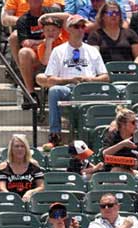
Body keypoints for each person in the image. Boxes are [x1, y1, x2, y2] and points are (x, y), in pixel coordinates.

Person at [40, 14, 109, 146]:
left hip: (89, 89)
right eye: (76, 26)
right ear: (68, 29)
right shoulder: (58, 51)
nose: (80, 29)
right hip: (68, 89)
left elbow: (105, 77)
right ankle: (55, 134)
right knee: (54, 91)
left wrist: (89, 80)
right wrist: (69, 80)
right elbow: (50, 79)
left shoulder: (92, 50)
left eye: (83, 26)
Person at [0, 134, 45, 202]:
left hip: (30, 202)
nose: (20, 149)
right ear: (11, 149)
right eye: (16, 146)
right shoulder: (3, 166)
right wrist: (13, 199)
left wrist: (30, 192)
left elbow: (41, 187)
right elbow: (2, 188)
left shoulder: (34, 164)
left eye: (22, 146)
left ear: (26, 149)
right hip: (10, 203)